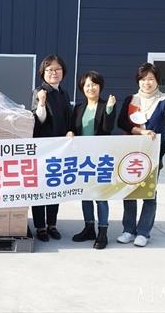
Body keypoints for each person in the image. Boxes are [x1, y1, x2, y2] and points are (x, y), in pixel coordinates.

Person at [117, 62, 165, 247]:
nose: (147, 83)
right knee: (130, 192)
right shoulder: (131, 99)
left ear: (157, 81)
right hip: (131, 153)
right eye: (143, 79)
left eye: (151, 79)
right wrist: (140, 131)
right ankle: (128, 230)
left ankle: (143, 232)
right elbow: (122, 122)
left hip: (153, 155)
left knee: (149, 193)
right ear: (138, 81)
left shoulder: (164, 100)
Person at [70, 71, 116, 249]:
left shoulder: (106, 105)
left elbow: (107, 128)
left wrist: (110, 109)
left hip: (100, 157)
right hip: (83, 158)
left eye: (94, 84)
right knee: (85, 194)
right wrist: (70, 132)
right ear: (83, 88)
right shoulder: (78, 108)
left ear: (100, 87)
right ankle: (89, 228)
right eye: (87, 85)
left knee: (100, 196)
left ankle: (102, 232)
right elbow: (73, 128)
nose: (91, 88)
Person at [31, 54, 73, 242]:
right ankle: (40, 227)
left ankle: (52, 225)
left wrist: (70, 131)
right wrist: (41, 102)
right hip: (43, 148)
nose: (54, 73)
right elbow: (38, 120)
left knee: (55, 186)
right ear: (43, 72)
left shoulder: (64, 93)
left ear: (63, 72)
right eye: (49, 70)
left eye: (57, 69)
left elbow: (68, 118)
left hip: (60, 148)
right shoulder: (40, 91)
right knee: (40, 187)